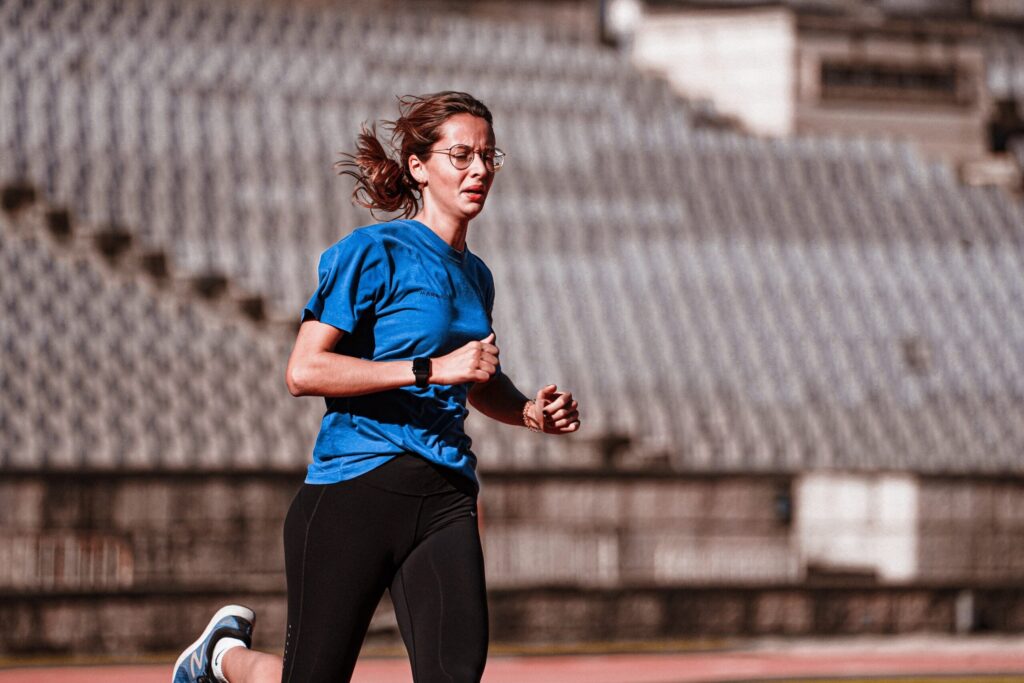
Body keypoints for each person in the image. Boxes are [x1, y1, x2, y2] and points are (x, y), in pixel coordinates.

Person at [172, 91, 581, 683]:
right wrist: (429, 369)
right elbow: (304, 372)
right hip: (355, 489)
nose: (478, 170)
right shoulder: (372, 252)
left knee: (456, 673)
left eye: (488, 157)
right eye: (460, 155)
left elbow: (478, 379)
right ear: (419, 166)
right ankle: (221, 658)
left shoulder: (477, 274)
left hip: (444, 495)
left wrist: (530, 412)